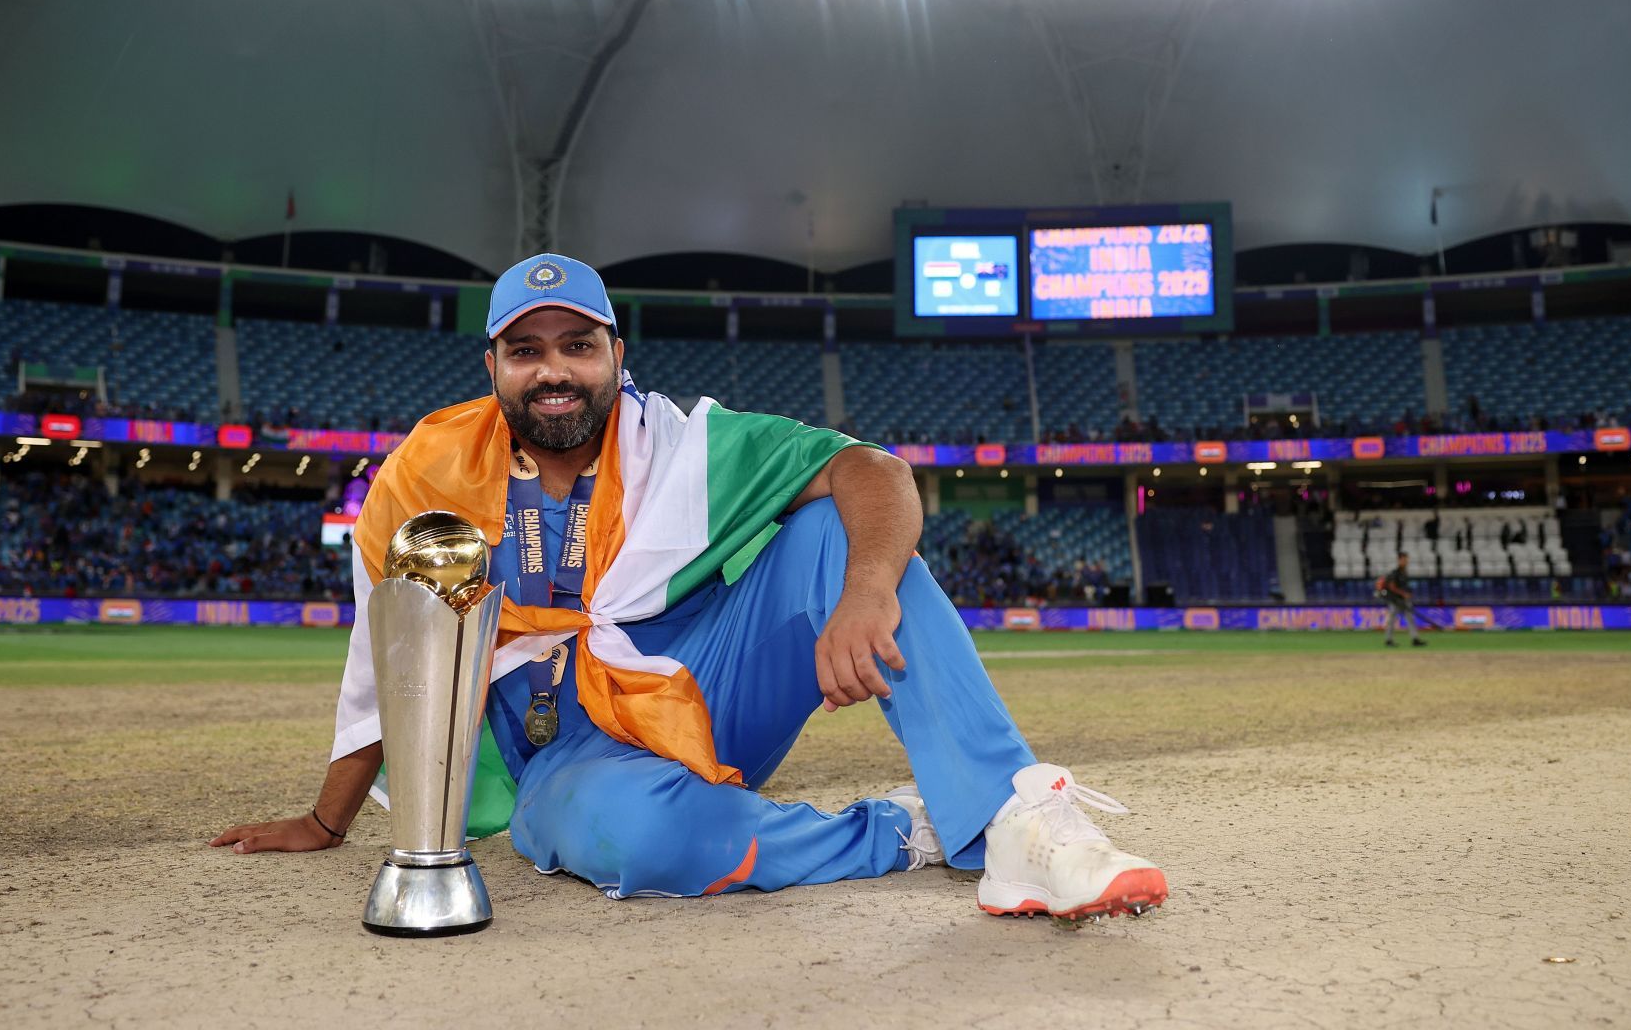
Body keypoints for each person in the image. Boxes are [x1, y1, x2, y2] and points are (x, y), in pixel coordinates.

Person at [213, 253, 1167, 920]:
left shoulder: (685, 445)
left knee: (841, 523)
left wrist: (869, 588)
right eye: (527, 349)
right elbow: (398, 656)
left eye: (578, 345)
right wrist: (328, 818)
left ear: (617, 356)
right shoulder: (427, 474)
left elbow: (872, 468)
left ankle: (1016, 819)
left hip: (703, 688)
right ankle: (912, 833)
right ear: (492, 366)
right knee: (634, 843)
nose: (555, 371)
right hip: (568, 754)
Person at [1376, 550, 1427, 648]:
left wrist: (1408, 594)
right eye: (1404, 559)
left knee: (1410, 619)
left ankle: (1415, 639)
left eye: (1406, 559)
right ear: (1399, 560)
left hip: (1404, 600)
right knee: (1392, 620)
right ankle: (1388, 640)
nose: (1406, 561)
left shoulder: (1404, 572)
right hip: (1396, 600)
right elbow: (1392, 587)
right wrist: (1403, 593)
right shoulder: (1396, 573)